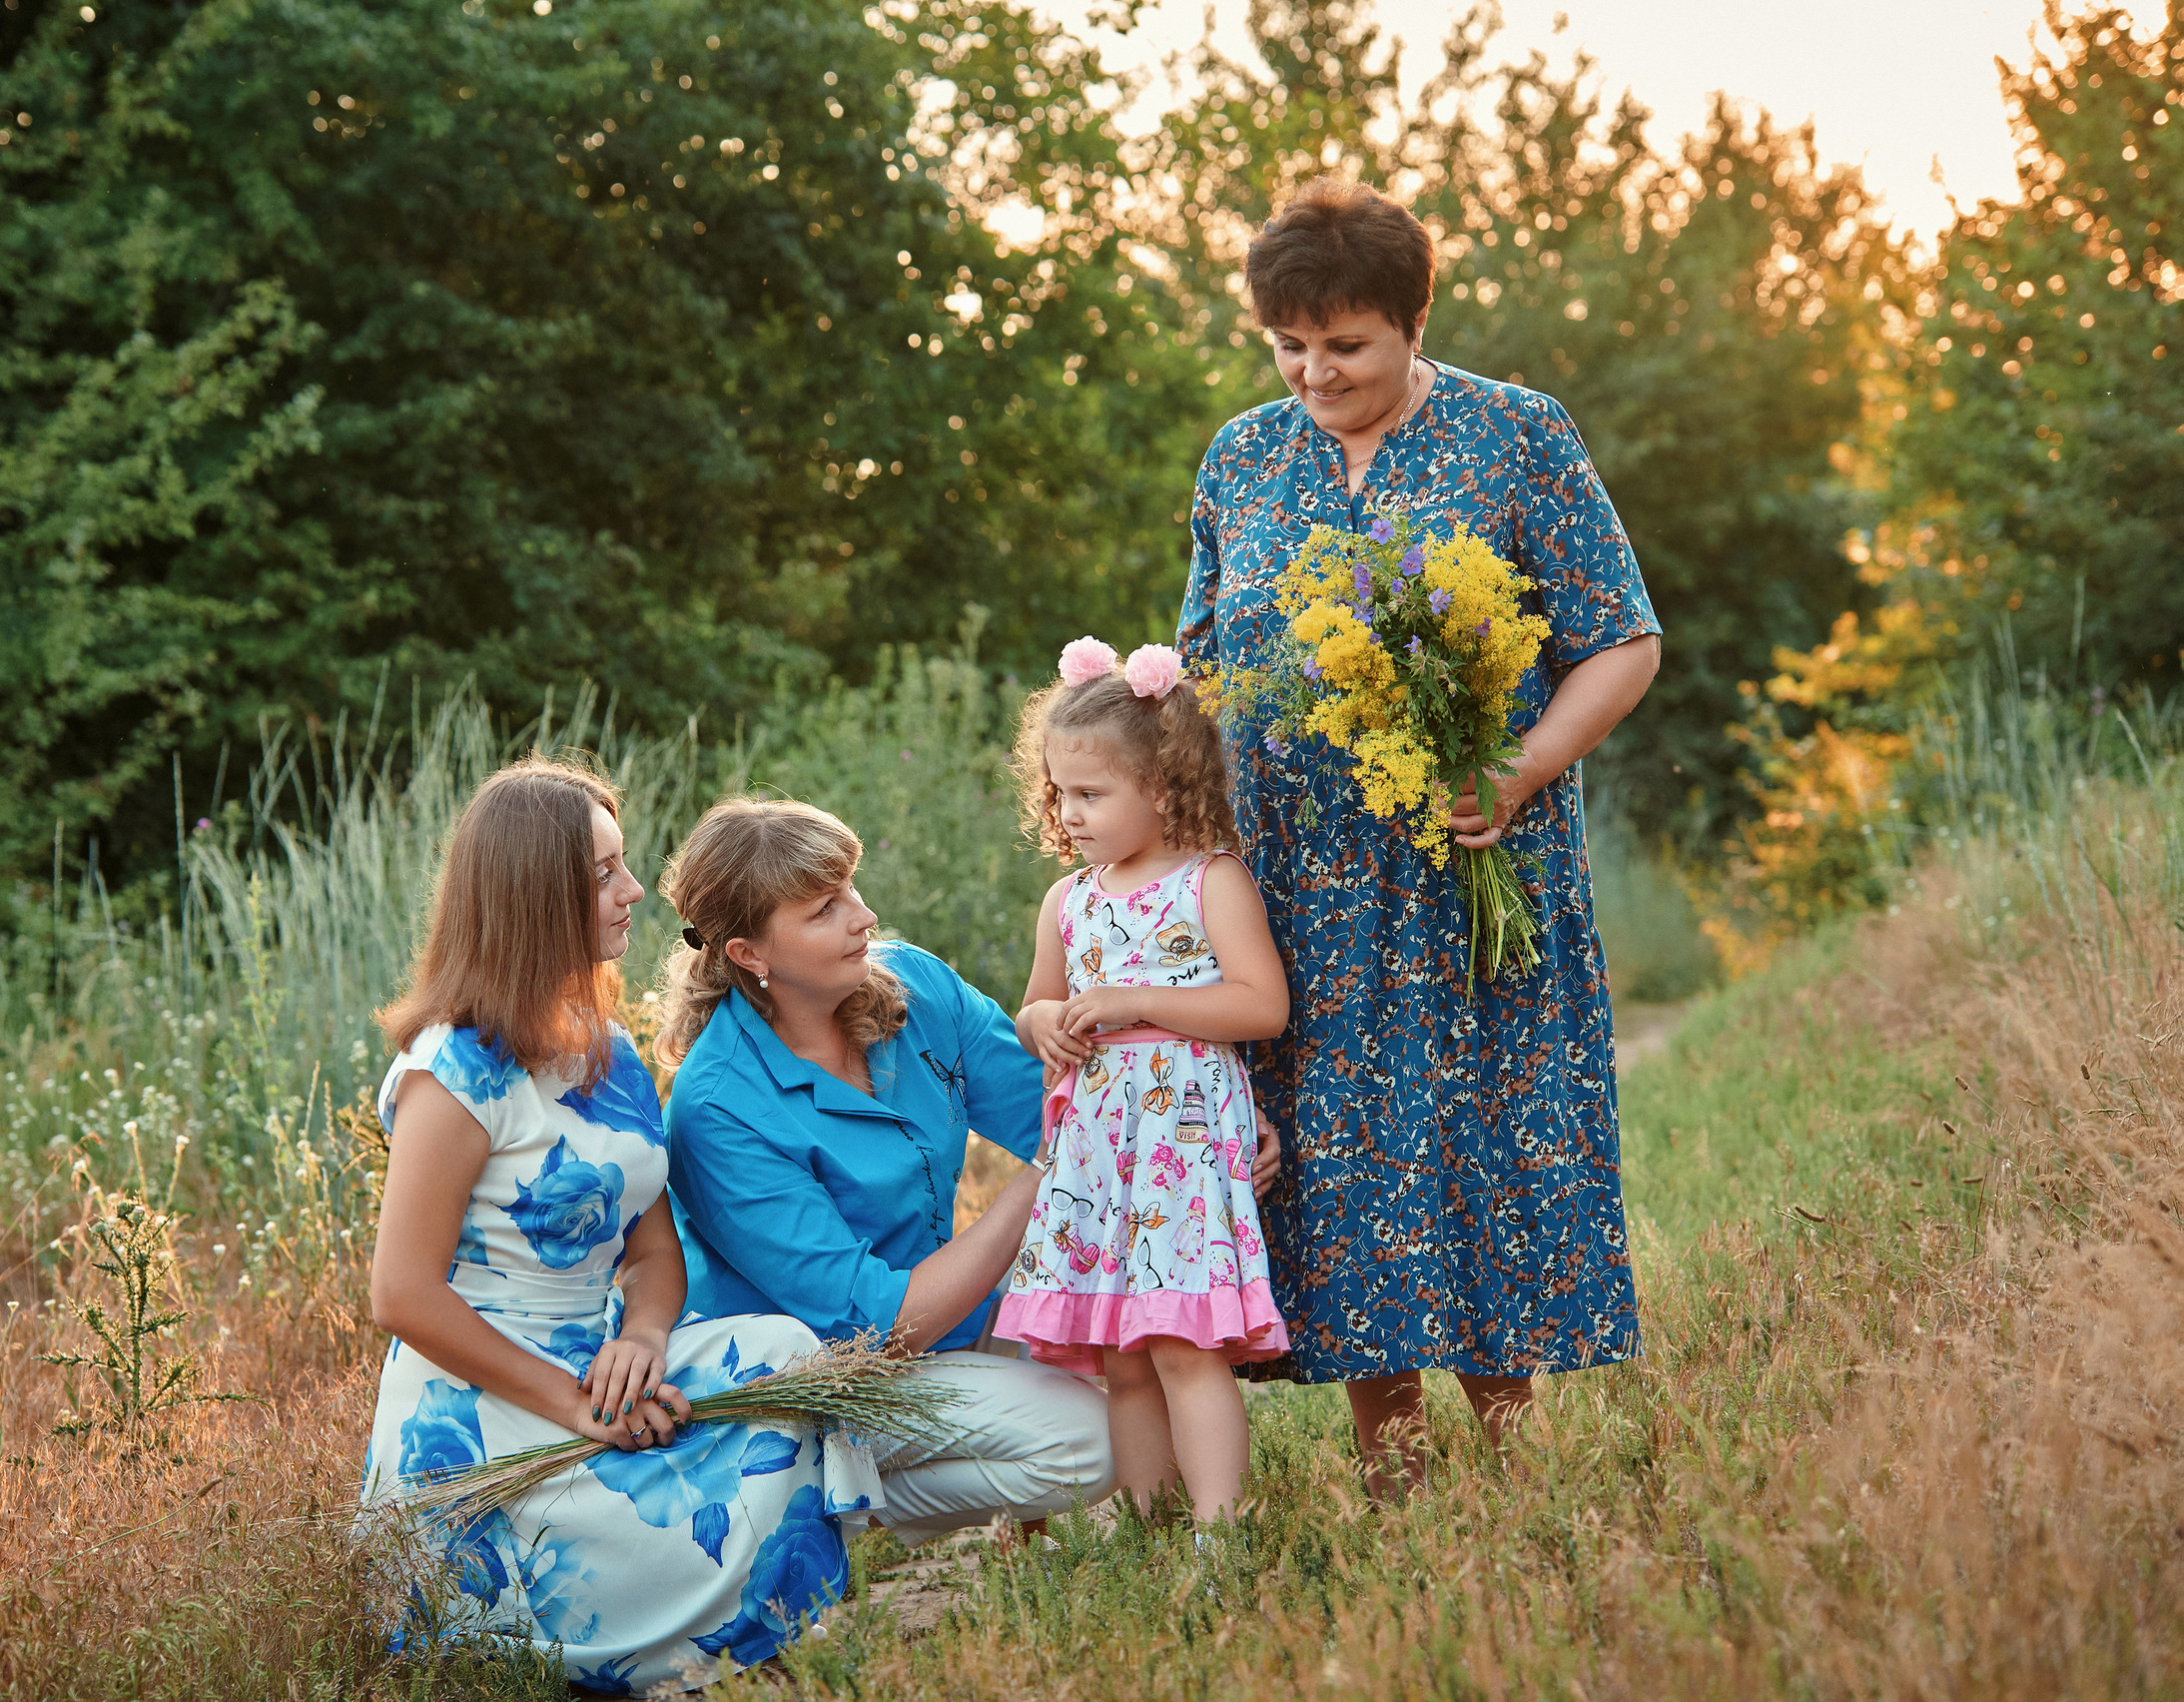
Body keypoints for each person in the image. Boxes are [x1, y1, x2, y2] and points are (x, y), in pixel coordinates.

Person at [1175, 178, 1664, 1497]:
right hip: (1300, 893)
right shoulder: (1241, 457)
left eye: (1346, 344)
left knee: (1485, 1142)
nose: (1314, 371)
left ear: (1409, 322)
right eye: (1290, 344)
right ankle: (1394, 1467)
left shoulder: (1516, 435)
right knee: (1343, 1166)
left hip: (1471, 867)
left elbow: (1620, 640)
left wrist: (1515, 770)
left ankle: (1509, 1472)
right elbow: (1210, 670)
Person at [357, 760, 880, 1697]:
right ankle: (633, 1646)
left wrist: (641, 1337)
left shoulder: (611, 1051)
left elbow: (652, 1251)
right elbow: (401, 1293)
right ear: (534, 896)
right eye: (603, 874)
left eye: (621, 864)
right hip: (481, 1400)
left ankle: (746, 1632)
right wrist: (572, 1406)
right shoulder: (455, 1071)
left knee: (791, 1356)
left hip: (601, 1362)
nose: (634, 891)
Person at [661, 798, 1219, 1545]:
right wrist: (1047, 1174)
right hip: (817, 1381)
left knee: (1126, 1331)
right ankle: (827, 1507)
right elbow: (874, 1328)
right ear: (747, 955)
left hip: (936, 1318)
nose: (864, 916)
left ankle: (1038, 1516)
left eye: (852, 887)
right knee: (1092, 1443)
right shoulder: (718, 1106)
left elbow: (1060, 1105)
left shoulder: (915, 987)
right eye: (825, 908)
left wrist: (1208, 1139)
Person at [995, 637, 1291, 1528]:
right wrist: (1045, 1021)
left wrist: (1134, 998)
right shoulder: (1070, 899)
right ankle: (1148, 1524)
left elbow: (1261, 1006)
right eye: (1059, 793)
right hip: (1095, 1144)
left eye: (1091, 793)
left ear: (1163, 788)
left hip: (1179, 1136)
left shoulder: (1211, 882)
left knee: (1177, 1341)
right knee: (1118, 1352)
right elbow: (1036, 1007)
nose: (1070, 813)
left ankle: (1219, 1533)